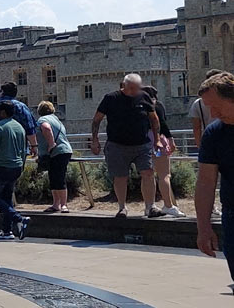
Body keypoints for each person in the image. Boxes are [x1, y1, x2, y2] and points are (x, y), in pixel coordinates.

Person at [194, 71, 234, 308]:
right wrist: (204, 227)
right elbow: (206, 182)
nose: (213, 113)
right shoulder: (215, 133)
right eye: (208, 108)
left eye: (217, 106)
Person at [90, 73, 161, 218]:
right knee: (120, 177)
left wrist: (157, 139)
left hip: (142, 144)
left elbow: (154, 119)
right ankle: (122, 207)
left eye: (137, 88)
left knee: (148, 172)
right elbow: (97, 120)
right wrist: (95, 140)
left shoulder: (144, 97)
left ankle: (150, 207)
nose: (134, 91)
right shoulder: (111, 98)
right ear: (124, 86)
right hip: (117, 145)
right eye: (132, 88)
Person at [0, 83, 37, 214]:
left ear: (1, 92)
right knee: (8, 188)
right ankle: (8, 221)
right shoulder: (21, 107)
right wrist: (34, 147)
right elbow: (30, 128)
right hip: (15, 155)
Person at [0, 102, 30, 240]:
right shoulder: (20, 127)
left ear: (3, 112)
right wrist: (21, 166)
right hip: (16, 167)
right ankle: (7, 230)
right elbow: (23, 150)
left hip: (0, 167)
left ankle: (18, 218)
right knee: (7, 198)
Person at [142, 84, 184, 217]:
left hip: (143, 142)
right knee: (164, 174)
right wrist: (171, 139)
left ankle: (149, 206)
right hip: (157, 142)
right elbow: (163, 125)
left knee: (147, 175)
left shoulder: (138, 107)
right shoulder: (157, 106)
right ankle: (168, 205)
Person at [34, 100, 74, 213]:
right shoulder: (56, 119)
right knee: (54, 177)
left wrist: (51, 144)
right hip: (63, 151)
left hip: (57, 152)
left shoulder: (43, 120)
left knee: (58, 177)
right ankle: (57, 204)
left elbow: (46, 128)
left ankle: (62, 204)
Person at [191, 67, 222, 152]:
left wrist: (199, 146)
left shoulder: (197, 103)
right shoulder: (227, 100)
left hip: (208, 139)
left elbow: (196, 127)